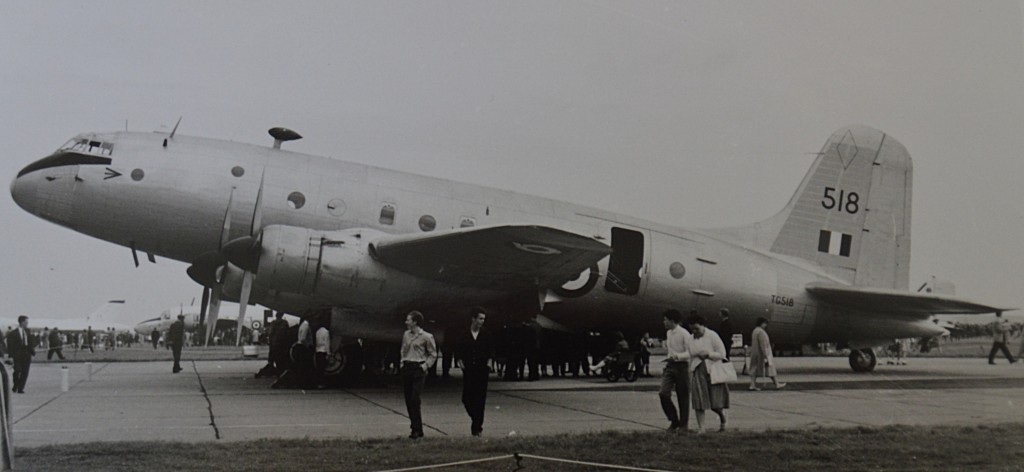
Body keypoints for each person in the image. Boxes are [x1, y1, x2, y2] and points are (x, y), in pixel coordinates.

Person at [455, 307, 494, 436]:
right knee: (466, 398)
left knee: (480, 399)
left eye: (483, 319)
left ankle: (477, 428)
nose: (482, 321)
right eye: (480, 318)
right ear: (473, 319)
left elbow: (491, 350)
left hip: (482, 369)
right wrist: (459, 360)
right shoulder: (463, 333)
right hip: (469, 369)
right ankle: (475, 418)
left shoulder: (486, 334)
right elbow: (459, 348)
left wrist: (489, 363)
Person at [687, 314, 729, 433]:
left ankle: (722, 417)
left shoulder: (712, 336)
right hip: (697, 371)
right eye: (692, 329)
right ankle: (702, 428)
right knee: (699, 401)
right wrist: (690, 372)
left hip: (712, 370)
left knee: (715, 403)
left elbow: (722, 354)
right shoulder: (690, 339)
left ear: (703, 326)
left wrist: (709, 354)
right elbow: (690, 356)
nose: (694, 331)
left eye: (697, 329)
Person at [400, 310, 437, 439]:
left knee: (415, 399)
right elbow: (403, 349)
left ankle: (416, 429)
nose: (406, 322)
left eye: (408, 320)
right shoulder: (406, 335)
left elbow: (433, 354)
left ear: (415, 322)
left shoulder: (427, 337)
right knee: (408, 400)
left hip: (418, 368)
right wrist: (402, 362)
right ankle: (415, 428)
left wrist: (425, 366)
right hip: (407, 367)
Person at [659, 309, 692, 432]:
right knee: (663, 393)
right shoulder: (668, 333)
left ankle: (683, 425)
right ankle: (674, 419)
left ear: (672, 321)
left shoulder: (684, 334)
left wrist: (678, 356)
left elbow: (690, 352)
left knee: (682, 396)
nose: (664, 322)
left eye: (665, 320)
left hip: (682, 366)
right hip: (670, 366)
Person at [748, 317, 785, 390]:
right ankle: (777, 384)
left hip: (755, 353)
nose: (765, 325)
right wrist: (766, 355)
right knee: (770, 369)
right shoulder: (761, 332)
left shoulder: (755, 331)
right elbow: (763, 344)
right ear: (761, 323)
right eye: (765, 323)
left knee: (754, 369)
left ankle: (752, 385)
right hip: (762, 354)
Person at [6, 316, 35, 394]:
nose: (27, 323)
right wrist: (11, 356)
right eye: (26, 322)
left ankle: (20, 388)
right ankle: (16, 385)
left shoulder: (28, 331)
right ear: (22, 322)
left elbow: (31, 342)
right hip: (17, 355)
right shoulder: (13, 333)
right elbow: (10, 346)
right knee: (17, 370)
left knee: (25, 372)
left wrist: (32, 351)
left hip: (27, 354)